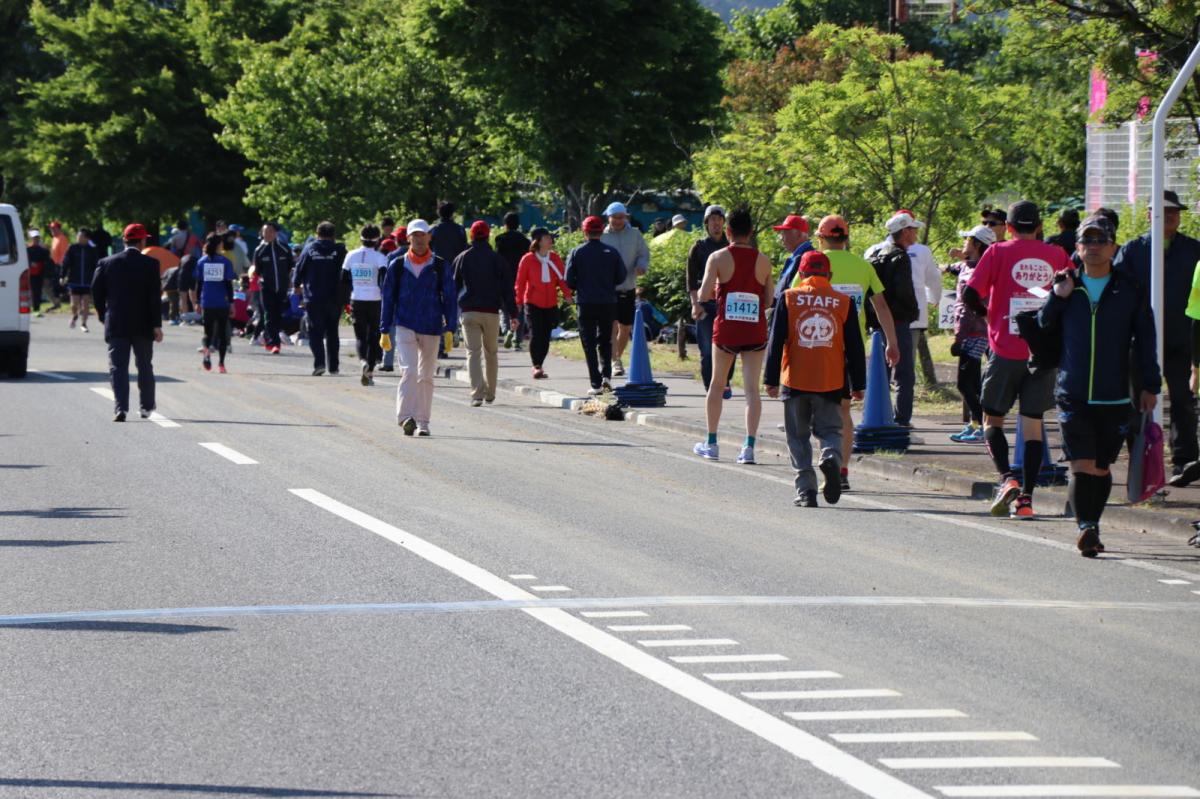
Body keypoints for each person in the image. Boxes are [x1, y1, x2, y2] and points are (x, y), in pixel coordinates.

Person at [1039, 213, 1160, 556]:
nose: (1093, 247)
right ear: (1076, 247)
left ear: (1113, 247)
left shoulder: (1129, 289)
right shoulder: (1067, 284)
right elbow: (1043, 325)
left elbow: (1146, 339)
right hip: (1072, 392)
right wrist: (1056, 297)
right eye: (1086, 241)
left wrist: (1150, 385)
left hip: (1114, 393)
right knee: (1080, 463)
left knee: (1101, 467)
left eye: (1099, 241)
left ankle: (1092, 522)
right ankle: (1087, 527)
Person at [962, 200, 1073, 519]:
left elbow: (970, 295)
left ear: (1008, 227)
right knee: (1033, 424)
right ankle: (1026, 499)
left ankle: (1005, 478)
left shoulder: (997, 252)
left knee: (992, 419)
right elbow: (1071, 292)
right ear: (1039, 227)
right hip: (1043, 353)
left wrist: (990, 318)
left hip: (1005, 349)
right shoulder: (1057, 255)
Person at [802, 215, 900, 492]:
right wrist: (892, 343)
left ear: (821, 237)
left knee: (816, 409)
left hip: (815, 347)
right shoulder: (863, 266)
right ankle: (842, 470)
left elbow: (796, 301)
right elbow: (881, 307)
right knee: (844, 411)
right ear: (846, 238)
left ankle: (826, 458)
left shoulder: (813, 263)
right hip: (848, 349)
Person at [766, 250, 867, 507]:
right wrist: (859, 385)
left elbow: (776, 340)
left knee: (797, 437)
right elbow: (854, 347)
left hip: (795, 380)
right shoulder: (843, 302)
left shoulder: (788, 298)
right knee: (831, 430)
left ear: (801, 274)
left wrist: (770, 379)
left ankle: (806, 491)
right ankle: (831, 457)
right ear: (829, 275)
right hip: (831, 381)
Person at [1113, 190, 1200, 485]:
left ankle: (1184, 461)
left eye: (1175, 212)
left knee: (1183, 400)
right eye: (1164, 212)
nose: (1171, 217)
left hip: (1182, 337)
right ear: (1151, 215)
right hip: (1143, 340)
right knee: (1139, 402)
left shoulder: (1192, 249)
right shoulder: (1134, 250)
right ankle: (1142, 462)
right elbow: (1119, 291)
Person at [692, 207, 773, 465]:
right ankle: (748, 448)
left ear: (728, 231)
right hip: (754, 328)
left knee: (717, 384)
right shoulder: (764, 260)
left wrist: (719, 289)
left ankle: (712, 442)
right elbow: (770, 299)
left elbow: (703, 294)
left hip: (727, 328)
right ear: (750, 233)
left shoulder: (717, 257)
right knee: (752, 389)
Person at [379, 219, 457, 436]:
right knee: (409, 370)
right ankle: (405, 418)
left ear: (429, 237)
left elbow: (450, 297)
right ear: (408, 238)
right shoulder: (397, 265)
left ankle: (423, 422)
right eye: (415, 235)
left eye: (423, 235)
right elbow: (388, 298)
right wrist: (384, 328)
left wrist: (451, 327)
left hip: (432, 326)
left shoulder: (440, 265)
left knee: (426, 376)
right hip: (405, 324)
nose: (419, 239)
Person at [90, 224, 163, 422]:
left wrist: (102, 314)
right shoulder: (151, 264)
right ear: (142, 241)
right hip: (144, 323)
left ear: (124, 240)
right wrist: (157, 325)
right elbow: (154, 298)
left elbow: (96, 292)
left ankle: (120, 408)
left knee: (118, 367)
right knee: (144, 365)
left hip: (116, 322)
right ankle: (146, 406)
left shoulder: (106, 263)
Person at [863, 212, 921, 426]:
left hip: (876, 321)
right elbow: (904, 291)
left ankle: (878, 416)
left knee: (879, 372)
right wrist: (912, 312)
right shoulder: (900, 256)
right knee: (904, 374)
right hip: (897, 322)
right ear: (905, 232)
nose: (916, 233)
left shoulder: (873, 252)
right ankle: (901, 419)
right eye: (913, 229)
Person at [455, 220, 519, 405]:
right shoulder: (497, 259)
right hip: (492, 311)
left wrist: (448, 313)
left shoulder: (462, 257)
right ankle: (490, 393)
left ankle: (477, 394)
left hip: (469, 313)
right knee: (491, 353)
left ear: (471, 235)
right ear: (489, 235)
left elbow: (452, 286)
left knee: (472, 353)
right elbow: (508, 289)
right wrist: (513, 314)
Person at [565, 215, 627, 395]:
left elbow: (569, 280)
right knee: (606, 340)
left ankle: (595, 383)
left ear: (585, 232)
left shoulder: (577, 252)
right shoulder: (612, 252)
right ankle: (607, 376)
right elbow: (621, 276)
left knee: (589, 342)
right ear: (601, 231)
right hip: (608, 301)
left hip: (586, 302)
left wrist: (582, 286)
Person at [947, 224, 995, 443]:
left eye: (967, 240)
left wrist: (959, 338)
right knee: (973, 383)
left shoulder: (975, 272)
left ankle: (981, 426)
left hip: (973, 333)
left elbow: (967, 308)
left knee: (965, 384)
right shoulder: (973, 265)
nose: (964, 243)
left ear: (976, 244)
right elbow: (960, 265)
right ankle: (975, 424)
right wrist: (946, 266)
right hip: (975, 332)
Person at [600, 201, 650, 377]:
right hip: (608, 288)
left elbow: (643, 253)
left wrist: (641, 265)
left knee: (626, 327)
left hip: (628, 286)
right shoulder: (602, 235)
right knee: (612, 325)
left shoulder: (635, 234)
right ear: (609, 217)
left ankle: (616, 357)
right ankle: (616, 361)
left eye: (622, 217)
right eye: (615, 217)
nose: (619, 221)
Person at [517, 227, 572, 379]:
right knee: (536, 334)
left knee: (546, 336)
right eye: (547, 237)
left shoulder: (554, 258)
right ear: (539, 241)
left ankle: (539, 363)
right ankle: (536, 366)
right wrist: (519, 301)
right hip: (533, 303)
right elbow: (520, 283)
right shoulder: (527, 259)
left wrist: (567, 295)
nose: (551, 240)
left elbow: (562, 279)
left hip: (551, 303)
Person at [294, 221, 347, 376]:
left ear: (317, 234)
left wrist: (297, 285)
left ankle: (320, 363)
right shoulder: (340, 251)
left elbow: (299, 268)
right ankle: (334, 367)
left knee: (315, 332)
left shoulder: (310, 249)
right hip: (334, 298)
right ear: (333, 235)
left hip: (314, 297)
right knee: (332, 332)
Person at [687, 205, 730, 391]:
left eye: (719, 220)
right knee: (706, 349)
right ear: (706, 223)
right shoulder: (698, 247)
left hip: (727, 304)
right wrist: (695, 304)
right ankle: (709, 387)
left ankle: (725, 383)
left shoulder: (731, 246)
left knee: (728, 346)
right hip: (705, 303)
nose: (716, 223)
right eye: (712, 220)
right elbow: (691, 279)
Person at [342, 224, 389, 385]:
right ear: (377, 240)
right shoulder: (380, 257)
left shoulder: (350, 256)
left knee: (360, 336)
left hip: (357, 298)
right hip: (375, 300)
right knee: (373, 336)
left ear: (361, 238)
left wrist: (347, 299)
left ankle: (363, 361)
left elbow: (343, 279)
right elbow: (385, 280)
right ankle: (369, 371)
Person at [192, 232, 236, 373]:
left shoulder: (201, 262)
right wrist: (231, 302)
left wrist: (198, 301)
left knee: (207, 332)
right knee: (222, 334)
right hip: (222, 302)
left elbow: (198, 283)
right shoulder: (225, 262)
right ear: (219, 245)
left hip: (207, 301)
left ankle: (206, 352)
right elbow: (228, 284)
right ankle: (221, 364)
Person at [253, 222, 295, 354]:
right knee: (269, 315)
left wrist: (287, 281)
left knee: (278, 315)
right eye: (265, 231)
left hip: (282, 288)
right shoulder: (259, 250)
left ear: (275, 233)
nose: (267, 234)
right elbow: (258, 270)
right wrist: (264, 280)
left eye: (270, 231)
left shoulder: (284, 248)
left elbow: (290, 266)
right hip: (267, 288)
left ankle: (268, 336)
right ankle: (274, 343)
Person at [494, 212, 531, 350]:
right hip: (520, 277)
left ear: (505, 225)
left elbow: (497, 259)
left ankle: (507, 331)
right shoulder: (525, 241)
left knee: (504, 308)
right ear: (518, 225)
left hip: (504, 277)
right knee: (519, 308)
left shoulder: (500, 239)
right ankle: (517, 340)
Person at [379, 226, 409, 372]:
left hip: (396, 296)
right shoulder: (418, 254)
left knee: (390, 329)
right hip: (413, 298)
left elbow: (385, 280)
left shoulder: (392, 256)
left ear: (397, 240)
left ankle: (388, 362)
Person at [772, 214, 814, 309]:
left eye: (785, 233)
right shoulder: (798, 256)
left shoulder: (807, 258)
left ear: (799, 234)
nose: (781, 238)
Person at [63, 228, 101, 332]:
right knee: (74, 304)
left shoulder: (92, 250)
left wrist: (97, 278)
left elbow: (96, 265)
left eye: (80, 236)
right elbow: (66, 263)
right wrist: (62, 276)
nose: (78, 238)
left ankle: (84, 323)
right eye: (77, 236)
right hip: (74, 280)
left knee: (85, 304)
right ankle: (75, 315)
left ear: (86, 238)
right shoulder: (72, 248)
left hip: (87, 281)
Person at [25, 230, 51, 317]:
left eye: (37, 238)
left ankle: (37, 309)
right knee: (31, 291)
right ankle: (31, 308)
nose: (36, 239)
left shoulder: (43, 250)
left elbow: (47, 261)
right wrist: (31, 263)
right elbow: (24, 260)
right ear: (31, 238)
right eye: (34, 238)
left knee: (38, 291)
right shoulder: (27, 249)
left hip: (40, 273)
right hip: (29, 273)